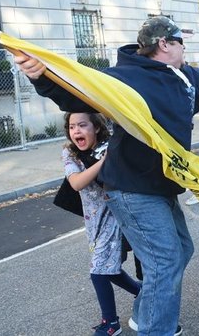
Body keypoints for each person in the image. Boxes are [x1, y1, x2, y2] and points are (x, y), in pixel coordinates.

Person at [16, 16, 199, 335]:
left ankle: (143, 313)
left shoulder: (185, 78)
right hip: (131, 188)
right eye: (180, 42)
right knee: (165, 262)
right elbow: (77, 93)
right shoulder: (125, 77)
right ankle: (156, 329)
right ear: (164, 44)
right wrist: (43, 78)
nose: (185, 48)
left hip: (161, 185)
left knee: (180, 251)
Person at [62, 112, 141, 336]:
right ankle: (141, 291)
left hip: (115, 216)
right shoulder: (70, 152)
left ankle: (111, 323)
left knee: (98, 271)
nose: (76, 130)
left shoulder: (110, 146)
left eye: (82, 125)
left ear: (96, 127)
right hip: (93, 220)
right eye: (71, 126)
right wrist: (104, 161)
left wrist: (109, 155)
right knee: (109, 269)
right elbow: (76, 183)